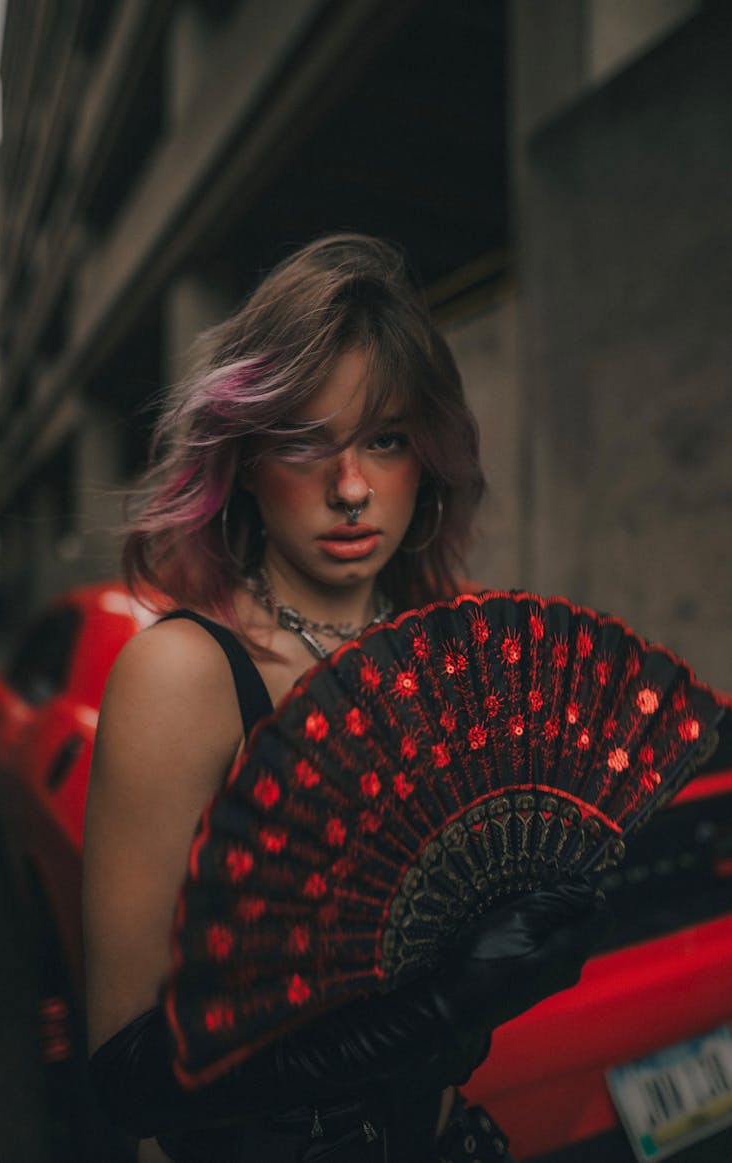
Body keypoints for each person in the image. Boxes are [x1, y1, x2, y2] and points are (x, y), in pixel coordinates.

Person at [83, 233, 609, 1163]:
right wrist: (437, 1005)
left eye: (387, 438)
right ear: (244, 458)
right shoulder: (187, 675)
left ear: (429, 457)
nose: (353, 487)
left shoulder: (443, 660)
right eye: (303, 441)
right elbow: (128, 1074)